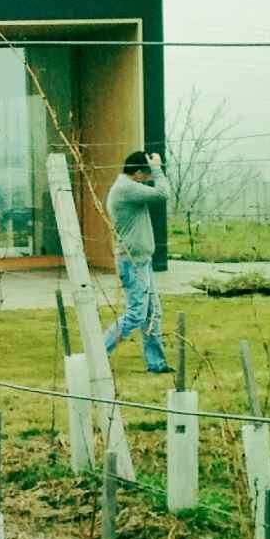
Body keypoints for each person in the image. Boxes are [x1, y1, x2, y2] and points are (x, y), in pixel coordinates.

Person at [103, 149, 171, 375]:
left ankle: (157, 364)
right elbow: (162, 194)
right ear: (139, 173)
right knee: (136, 315)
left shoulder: (128, 187)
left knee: (153, 315)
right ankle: (97, 354)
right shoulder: (126, 189)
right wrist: (157, 167)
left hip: (142, 261)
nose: (149, 179)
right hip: (132, 262)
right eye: (148, 174)